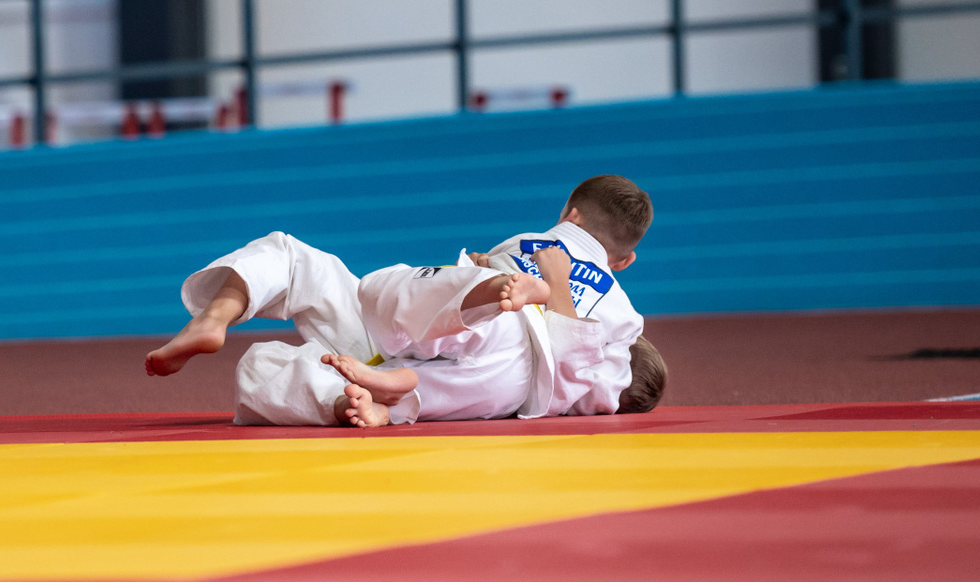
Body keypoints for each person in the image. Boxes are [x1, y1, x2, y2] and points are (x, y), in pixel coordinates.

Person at [146, 175, 665, 426]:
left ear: (570, 214)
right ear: (625, 261)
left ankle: (215, 317)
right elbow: (585, 386)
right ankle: (354, 400)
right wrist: (496, 275)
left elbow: (582, 378)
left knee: (349, 280)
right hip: (466, 356)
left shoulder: (534, 242)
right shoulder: (619, 308)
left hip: (470, 337)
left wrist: (521, 281)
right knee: (265, 367)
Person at [469, 173, 655, 418]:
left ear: (571, 216)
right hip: (511, 378)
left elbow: (478, 269)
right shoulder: (622, 312)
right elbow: (599, 397)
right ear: (625, 261)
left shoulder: (521, 241)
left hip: (474, 319)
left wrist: (471, 269)